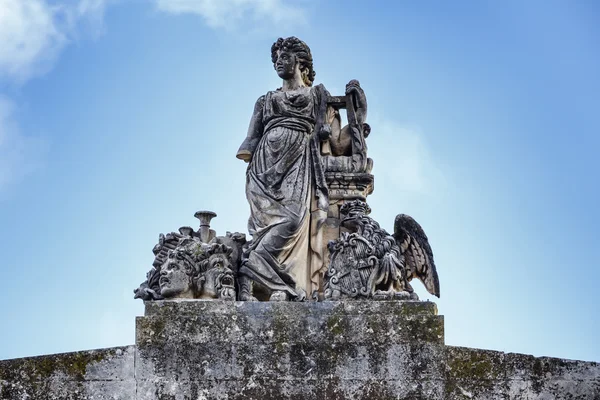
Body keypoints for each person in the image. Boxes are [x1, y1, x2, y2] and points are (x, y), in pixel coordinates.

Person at [236, 37, 330, 301]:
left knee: (291, 221)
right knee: (264, 226)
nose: (278, 61)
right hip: (263, 167)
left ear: (300, 62)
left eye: (284, 57)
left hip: (298, 161)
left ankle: (256, 272)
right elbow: (250, 140)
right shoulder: (265, 100)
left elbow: (325, 130)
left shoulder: (315, 95)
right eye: (275, 58)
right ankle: (263, 282)